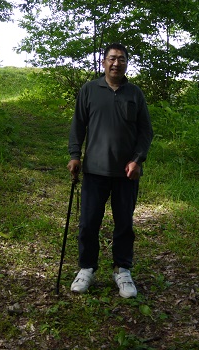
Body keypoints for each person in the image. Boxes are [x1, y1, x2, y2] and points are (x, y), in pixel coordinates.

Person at [67, 42, 153, 298]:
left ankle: (122, 270)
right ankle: (87, 268)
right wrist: (74, 155)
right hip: (94, 170)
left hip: (127, 173)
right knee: (88, 223)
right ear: (103, 62)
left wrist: (137, 160)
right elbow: (78, 125)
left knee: (124, 223)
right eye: (112, 58)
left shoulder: (135, 93)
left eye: (121, 59)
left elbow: (146, 132)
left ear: (127, 63)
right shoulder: (89, 90)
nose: (116, 63)